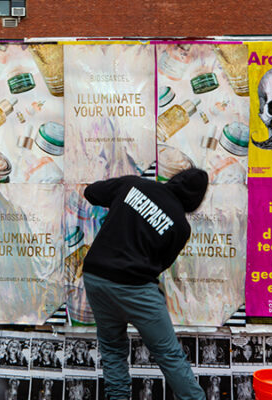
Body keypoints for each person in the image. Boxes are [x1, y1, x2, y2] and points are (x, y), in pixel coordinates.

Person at [81, 169, 208, 400]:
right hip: (136, 287)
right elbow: (160, 264)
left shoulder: (133, 185)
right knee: (168, 354)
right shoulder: (180, 226)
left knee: (112, 349)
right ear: (195, 201)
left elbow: (91, 192)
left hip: (96, 276)